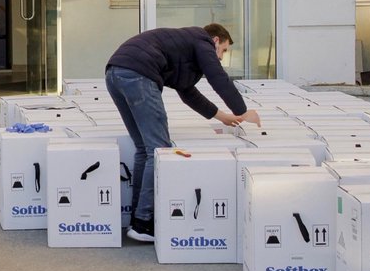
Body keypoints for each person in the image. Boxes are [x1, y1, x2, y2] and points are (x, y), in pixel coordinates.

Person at [105, 23, 261, 243]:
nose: (220, 57)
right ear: (216, 40)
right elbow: (218, 77)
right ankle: (143, 223)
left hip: (115, 73)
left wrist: (223, 117)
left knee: (145, 149)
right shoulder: (202, 40)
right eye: (223, 50)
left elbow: (188, 94)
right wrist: (242, 111)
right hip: (139, 74)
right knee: (159, 149)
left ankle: (137, 222)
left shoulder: (185, 48)